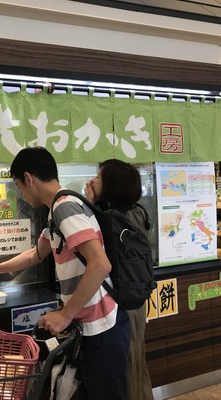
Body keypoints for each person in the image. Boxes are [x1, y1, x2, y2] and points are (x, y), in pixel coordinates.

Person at [0, 147, 130, 400]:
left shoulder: (64, 206)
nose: (22, 195)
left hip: (102, 327)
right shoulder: (56, 210)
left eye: (19, 187)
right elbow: (36, 254)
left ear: (29, 178)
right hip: (90, 327)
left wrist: (65, 315)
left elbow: (100, 264)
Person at [84, 158, 154, 400]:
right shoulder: (137, 213)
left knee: (126, 364)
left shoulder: (109, 218)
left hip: (120, 304)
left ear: (112, 187)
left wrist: (89, 204)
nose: (93, 180)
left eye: (100, 178)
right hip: (136, 299)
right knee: (135, 359)